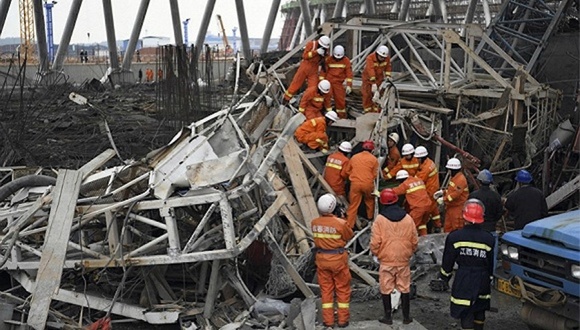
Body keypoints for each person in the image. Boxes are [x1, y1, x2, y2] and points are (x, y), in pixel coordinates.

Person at [439, 199, 495, 330]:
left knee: (466, 312)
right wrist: (489, 278)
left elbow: (448, 261)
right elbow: (490, 262)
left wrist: (444, 277)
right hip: (482, 278)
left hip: (464, 277)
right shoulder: (488, 239)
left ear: (465, 217)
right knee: (479, 309)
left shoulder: (455, 237)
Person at [371, 188, 418, 325]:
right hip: (403, 258)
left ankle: (388, 317)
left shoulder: (380, 219)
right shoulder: (408, 218)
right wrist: (409, 252)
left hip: (386, 259)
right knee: (405, 287)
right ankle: (406, 317)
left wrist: (376, 254)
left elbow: (375, 242)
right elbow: (414, 240)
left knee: (386, 287)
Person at [312, 194, 354, 328]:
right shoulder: (340, 223)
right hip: (338, 260)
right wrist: (342, 217)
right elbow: (349, 235)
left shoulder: (315, 223)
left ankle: (328, 321)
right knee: (342, 289)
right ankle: (342, 320)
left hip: (322, 260)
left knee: (326, 291)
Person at [284, 35, 331, 102]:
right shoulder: (311, 44)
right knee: (296, 83)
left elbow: (325, 61)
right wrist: (315, 52)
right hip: (305, 66)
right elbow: (305, 56)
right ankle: (286, 98)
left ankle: (309, 102)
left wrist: (324, 56)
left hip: (314, 68)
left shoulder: (325, 49)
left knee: (313, 87)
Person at [344, 140, 379, 229]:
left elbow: (347, 171)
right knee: (369, 201)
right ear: (372, 150)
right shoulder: (374, 159)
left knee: (353, 206)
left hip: (355, 184)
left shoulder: (354, 157)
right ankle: (370, 220)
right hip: (368, 184)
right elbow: (375, 175)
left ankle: (349, 226)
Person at [392, 170, 431, 236]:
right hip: (428, 206)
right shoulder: (418, 180)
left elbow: (394, 192)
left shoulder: (405, 184)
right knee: (422, 223)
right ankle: (424, 238)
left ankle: (408, 241)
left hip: (418, 208)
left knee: (410, 226)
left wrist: (380, 193)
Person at [435, 158, 469, 233]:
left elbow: (455, 194)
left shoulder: (460, 179)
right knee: (447, 228)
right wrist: (443, 192)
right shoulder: (454, 178)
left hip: (457, 209)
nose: (449, 172)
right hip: (450, 208)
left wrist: (443, 199)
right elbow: (451, 191)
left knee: (457, 229)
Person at [414, 146, 442, 232]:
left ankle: (425, 231)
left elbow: (418, 180)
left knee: (424, 215)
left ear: (422, 157)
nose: (417, 160)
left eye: (418, 158)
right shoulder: (429, 162)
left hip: (429, 192)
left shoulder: (426, 168)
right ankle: (438, 226)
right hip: (433, 190)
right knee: (434, 210)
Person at [324, 45, 353, 119]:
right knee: (327, 99)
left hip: (338, 84)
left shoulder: (346, 61)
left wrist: (349, 85)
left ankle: (342, 117)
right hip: (329, 82)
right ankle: (328, 115)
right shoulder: (329, 60)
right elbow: (324, 71)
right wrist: (322, 81)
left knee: (340, 100)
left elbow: (349, 74)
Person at [361, 45, 392, 113]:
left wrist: (388, 75)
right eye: (381, 57)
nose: (382, 59)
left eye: (384, 57)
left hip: (379, 80)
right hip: (368, 80)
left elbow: (388, 67)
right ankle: (367, 113)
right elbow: (370, 70)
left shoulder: (386, 59)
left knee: (378, 97)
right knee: (367, 96)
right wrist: (373, 83)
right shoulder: (370, 58)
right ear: (377, 54)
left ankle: (377, 113)